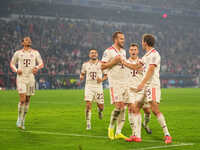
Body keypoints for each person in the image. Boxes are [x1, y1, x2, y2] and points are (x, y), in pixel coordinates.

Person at [125, 34, 172, 144]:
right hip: (146, 86)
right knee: (135, 108)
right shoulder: (146, 56)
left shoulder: (155, 54)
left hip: (152, 85)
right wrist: (123, 62)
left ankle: (167, 135)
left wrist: (142, 83)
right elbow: (136, 66)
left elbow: (151, 70)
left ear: (145, 42)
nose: (141, 43)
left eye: (142, 41)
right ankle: (136, 136)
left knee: (155, 110)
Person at [10, 37, 44, 130]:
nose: (28, 40)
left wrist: (36, 67)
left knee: (28, 100)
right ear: (22, 43)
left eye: (29, 40)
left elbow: (41, 63)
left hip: (31, 78)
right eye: (26, 40)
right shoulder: (18, 53)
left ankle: (23, 120)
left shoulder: (35, 53)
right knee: (22, 99)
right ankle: (19, 118)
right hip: (21, 78)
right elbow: (12, 64)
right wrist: (17, 70)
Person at [121, 43, 152, 142]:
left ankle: (146, 124)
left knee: (147, 111)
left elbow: (149, 74)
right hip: (131, 90)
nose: (133, 51)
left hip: (142, 90)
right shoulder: (125, 62)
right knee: (132, 110)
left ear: (138, 51)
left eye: (135, 49)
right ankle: (135, 134)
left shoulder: (143, 62)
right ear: (129, 51)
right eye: (131, 50)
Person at [101, 31, 129, 140]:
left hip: (125, 82)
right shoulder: (108, 51)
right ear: (115, 40)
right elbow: (102, 66)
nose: (123, 40)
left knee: (123, 108)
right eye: (121, 38)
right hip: (115, 83)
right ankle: (111, 128)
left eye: (123, 38)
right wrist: (113, 61)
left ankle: (118, 132)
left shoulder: (123, 51)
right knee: (118, 107)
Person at [80, 49, 107, 130]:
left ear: (97, 54)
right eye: (92, 53)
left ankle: (100, 111)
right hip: (89, 86)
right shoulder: (85, 64)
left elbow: (106, 75)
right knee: (88, 105)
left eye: (95, 53)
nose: (93, 54)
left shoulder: (102, 64)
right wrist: (81, 77)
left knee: (101, 106)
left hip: (98, 87)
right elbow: (82, 73)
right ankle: (88, 123)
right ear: (89, 55)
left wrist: (101, 80)